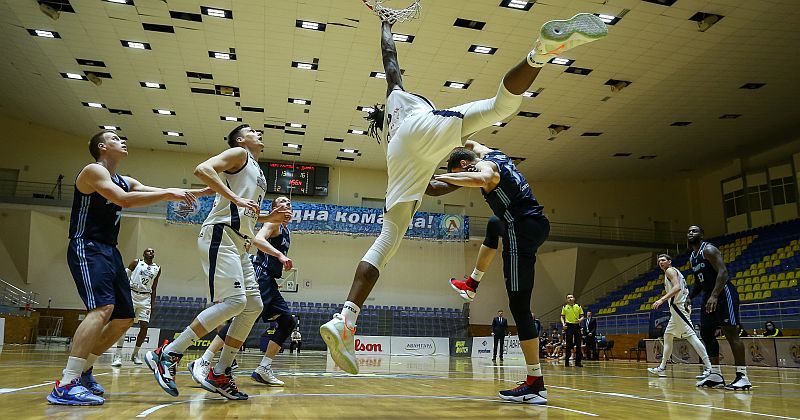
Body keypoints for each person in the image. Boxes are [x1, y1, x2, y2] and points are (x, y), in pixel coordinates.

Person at [320, 14, 608, 387]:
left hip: (400, 157)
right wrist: (387, 24)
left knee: (386, 240)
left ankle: (347, 317)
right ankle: (541, 52)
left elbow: (389, 60)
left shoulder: (392, 108)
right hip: (428, 137)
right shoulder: (424, 112)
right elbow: (392, 59)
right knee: (500, 107)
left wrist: (425, 178)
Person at [47, 130, 204, 406]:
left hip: (109, 250)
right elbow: (124, 199)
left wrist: (201, 191)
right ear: (101, 146)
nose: (122, 140)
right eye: (114, 138)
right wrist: (170, 193)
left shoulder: (125, 179)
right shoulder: (93, 171)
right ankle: (66, 383)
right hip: (88, 245)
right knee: (102, 309)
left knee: (123, 317)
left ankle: (84, 372)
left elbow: (152, 191)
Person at [146, 124, 288, 400]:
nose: (259, 133)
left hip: (240, 242)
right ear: (240, 139)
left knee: (253, 306)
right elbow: (202, 169)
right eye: (252, 131)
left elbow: (243, 212)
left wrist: (271, 218)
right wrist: (234, 198)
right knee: (235, 302)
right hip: (220, 235)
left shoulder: (258, 172)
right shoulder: (239, 153)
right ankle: (169, 352)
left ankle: (220, 372)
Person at [428, 140, 551, 404]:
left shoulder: (485, 169)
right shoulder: (491, 153)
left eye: (460, 172)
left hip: (521, 230)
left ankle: (535, 384)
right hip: (529, 222)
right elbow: (471, 142)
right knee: (495, 224)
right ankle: (471, 283)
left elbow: (481, 177)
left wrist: (440, 175)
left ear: (464, 166)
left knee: (519, 306)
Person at [189, 196, 296, 388]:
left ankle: (264, 368)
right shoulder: (273, 223)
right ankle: (204, 359)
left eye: (289, 203)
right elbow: (258, 239)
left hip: (269, 280)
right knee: (244, 320)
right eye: (281, 202)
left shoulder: (286, 230)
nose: (287, 204)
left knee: (288, 321)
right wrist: (279, 255)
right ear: (274, 208)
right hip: (261, 276)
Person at [688, 225, 752, 390]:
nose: (690, 233)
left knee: (730, 331)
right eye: (688, 231)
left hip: (723, 293)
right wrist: (689, 296)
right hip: (708, 294)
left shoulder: (709, 249)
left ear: (702, 234)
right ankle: (715, 375)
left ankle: (742, 376)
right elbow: (698, 282)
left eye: (694, 231)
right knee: (706, 332)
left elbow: (723, 273)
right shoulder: (692, 257)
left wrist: (715, 295)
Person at [647, 254, 712, 379]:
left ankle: (710, 368)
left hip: (678, 308)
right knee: (668, 336)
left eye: (663, 260)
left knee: (691, 336)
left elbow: (677, 288)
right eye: (659, 261)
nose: (660, 262)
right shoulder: (675, 272)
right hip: (677, 309)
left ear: (669, 261)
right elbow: (684, 290)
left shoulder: (670, 271)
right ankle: (662, 367)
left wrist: (661, 300)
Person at [111, 248, 161, 366]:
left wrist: (152, 303)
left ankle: (135, 354)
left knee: (144, 326)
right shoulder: (136, 263)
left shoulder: (157, 268)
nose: (151, 253)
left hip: (146, 298)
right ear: (144, 254)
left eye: (153, 251)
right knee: (124, 325)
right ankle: (117, 355)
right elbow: (123, 277)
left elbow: (154, 287)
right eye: (148, 251)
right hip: (132, 294)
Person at [561, 294, 584, 367]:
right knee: (568, 344)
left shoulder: (578, 306)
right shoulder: (565, 307)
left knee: (578, 344)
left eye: (571, 297)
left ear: (574, 298)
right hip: (569, 326)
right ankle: (567, 361)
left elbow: (582, 316)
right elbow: (562, 317)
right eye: (568, 298)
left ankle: (578, 362)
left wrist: (580, 320)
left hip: (576, 326)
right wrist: (563, 324)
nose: (570, 299)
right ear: (567, 300)